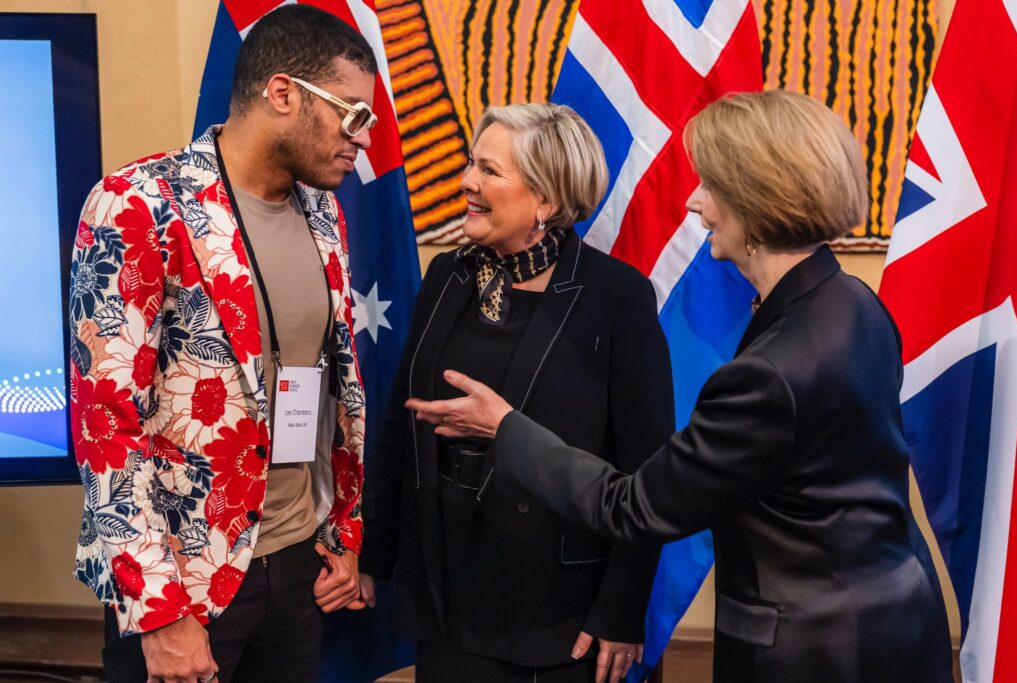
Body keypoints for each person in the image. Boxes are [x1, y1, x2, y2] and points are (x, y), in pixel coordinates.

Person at [407, 90, 954, 683]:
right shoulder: (854, 304)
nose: (695, 204)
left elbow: (636, 506)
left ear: (756, 199)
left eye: (710, 186)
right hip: (897, 622)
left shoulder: (768, 373)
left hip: (815, 651)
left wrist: (505, 428)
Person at [69, 6, 378, 682]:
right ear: (283, 92)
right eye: (354, 115)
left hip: (298, 570)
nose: (365, 139)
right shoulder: (138, 203)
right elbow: (106, 424)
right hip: (184, 581)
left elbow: (331, 389)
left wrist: (340, 533)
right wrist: (159, 611)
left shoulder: (325, 213)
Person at [358, 103, 673, 683]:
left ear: (547, 200)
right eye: (471, 164)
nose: (467, 184)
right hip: (446, 597)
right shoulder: (446, 275)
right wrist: (370, 559)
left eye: (490, 171)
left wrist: (622, 611)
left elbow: (646, 474)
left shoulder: (616, 296)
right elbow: (401, 424)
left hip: (556, 614)